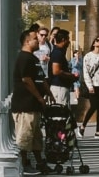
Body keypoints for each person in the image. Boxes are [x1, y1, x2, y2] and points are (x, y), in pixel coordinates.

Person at [13, 28, 50, 174]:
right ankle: (24, 164)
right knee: (25, 136)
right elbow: (26, 80)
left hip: (34, 106)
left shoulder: (33, 58)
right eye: (36, 38)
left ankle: (40, 162)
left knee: (36, 138)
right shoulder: (24, 58)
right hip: (25, 105)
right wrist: (39, 97)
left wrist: (48, 93)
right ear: (27, 41)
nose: (39, 40)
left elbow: (40, 78)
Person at [80, 36, 99, 136]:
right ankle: (83, 126)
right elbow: (85, 72)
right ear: (94, 43)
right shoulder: (88, 56)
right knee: (94, 106)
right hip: (93, 84)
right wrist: (90, 86)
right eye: (97, 40)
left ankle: (98, 131)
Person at [48, 28, 76, 107]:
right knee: (59, 114)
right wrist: (71, 75)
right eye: (68, 39)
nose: (69, 42)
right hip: (59, 88)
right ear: (63, 40)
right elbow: (56, 71)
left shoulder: (60, 52)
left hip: (61, 87)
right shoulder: (57, 53)